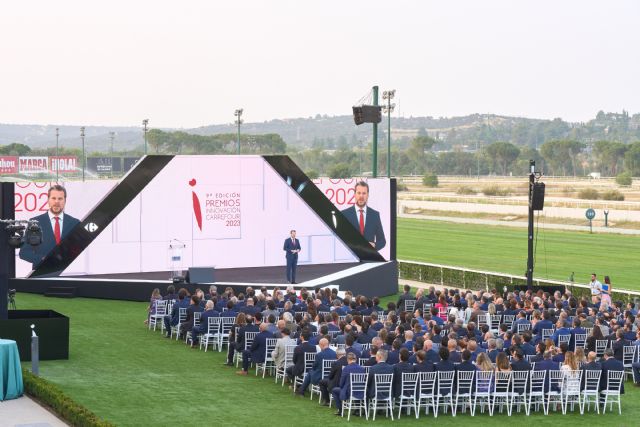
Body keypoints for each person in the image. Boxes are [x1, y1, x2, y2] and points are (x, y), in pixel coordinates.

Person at [19, 184, 80, 269]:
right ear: (48, 200)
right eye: (53, 198)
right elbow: (24, 253)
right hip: (41, 274)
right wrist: (43, 259)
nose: (56, 202)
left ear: (65, 200)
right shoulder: (35, 223)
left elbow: (78, 250)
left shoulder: (74, 223)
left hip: (68, 274)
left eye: (60, 199)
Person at [340, 181, 386, 250]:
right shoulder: (344, 214)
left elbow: (382, 241)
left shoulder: (375, 215)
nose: (361, 196)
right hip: (351, 258)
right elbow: (340, 239)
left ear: (368, 195)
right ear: (354, 194)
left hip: (370, 258)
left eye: (364, 193)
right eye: (359, 193)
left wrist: (374, 245)